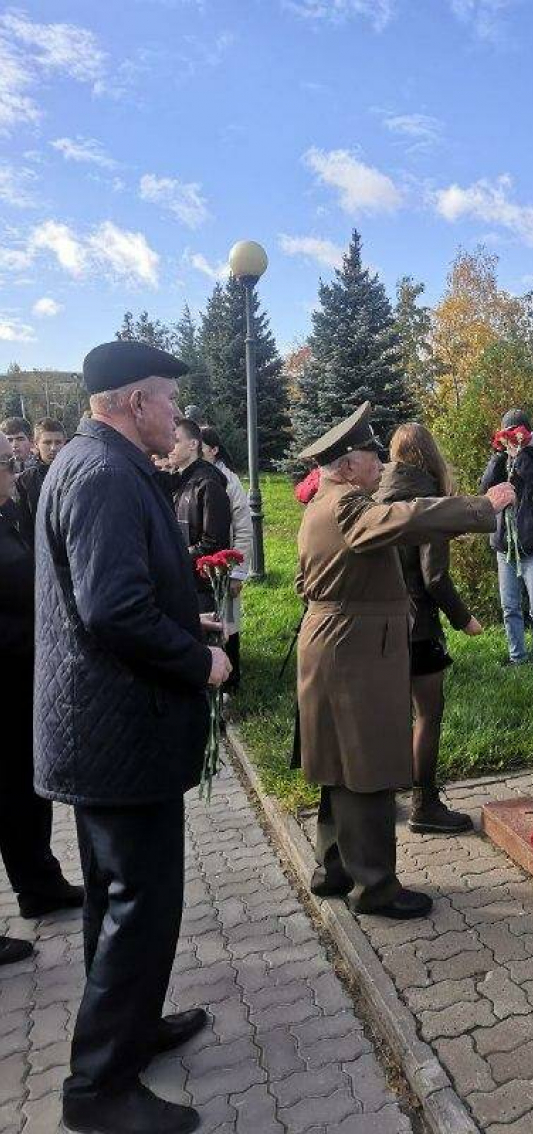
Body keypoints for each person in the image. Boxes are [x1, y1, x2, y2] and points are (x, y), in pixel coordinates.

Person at [34, 340, 232, 1134]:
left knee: (116, 902)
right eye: (167, 399)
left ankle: (132, 1028)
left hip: (106, 733)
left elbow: (115, 593)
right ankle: (98, 1091)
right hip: (118, 735)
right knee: (139, 904)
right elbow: (113, 611)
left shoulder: (92, 463)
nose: (177, 415)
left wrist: (189, 615)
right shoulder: (108, 474)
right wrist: (200, 660)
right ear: (131, 402)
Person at [296, 402, 514, 919]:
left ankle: (334, 869)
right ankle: (376, 889)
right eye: (371, 454)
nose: (379, 461)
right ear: (348, 465)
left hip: (331, 645)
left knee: (338, 765)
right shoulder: (348, 506)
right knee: (366, 769)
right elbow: (409, 516)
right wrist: (483, 506)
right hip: (352, 653)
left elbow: (309, 581)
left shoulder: (321, 504)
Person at [0, 434, 82, 965]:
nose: (15, 469)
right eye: (6, 464)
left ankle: (40, 884)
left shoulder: (7, 518)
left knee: (22, 793)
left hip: (18, 680)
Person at [376, 423, 482, 834]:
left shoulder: (376, 498)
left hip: (380, 625)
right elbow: (434, 577)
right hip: (418, 628)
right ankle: (426, 805)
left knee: (388, 715)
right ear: (430, 456)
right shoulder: (428, 505)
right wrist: (465, 619)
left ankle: (380, 800)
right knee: (428, 715)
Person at [480, 409, 533, 671]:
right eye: (507, 434)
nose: (512, 439)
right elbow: (485, 489)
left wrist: (522, 455)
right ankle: (517, 658)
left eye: (515, 433)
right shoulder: (503, 455)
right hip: (505, 543)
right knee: (510, 608)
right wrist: (499, 454)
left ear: (526, 431)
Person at [201, 426, 251, 689]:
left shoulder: (229, 480)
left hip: (225, 565)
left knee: (229, 622)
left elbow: (243, 527)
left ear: (214, 450)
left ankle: (232, 680)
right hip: (204, 569)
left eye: (202, 447)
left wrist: (237, 571)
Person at [169, 418, 232, 615]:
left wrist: (173, 557)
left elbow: (214, 542)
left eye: (176, 440)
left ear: (193, 444)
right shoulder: (179, 480)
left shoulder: (208, 483)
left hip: (202, 588)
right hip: (181, 582)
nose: (170, 446)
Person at [15, 416, 66, 545]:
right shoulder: (25, 480)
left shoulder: (77, 475)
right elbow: (24, 525)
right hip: (40, 550)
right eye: (47, 442)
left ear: (64, 443)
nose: (53, 448)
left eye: (58, 442)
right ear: (36, 444)